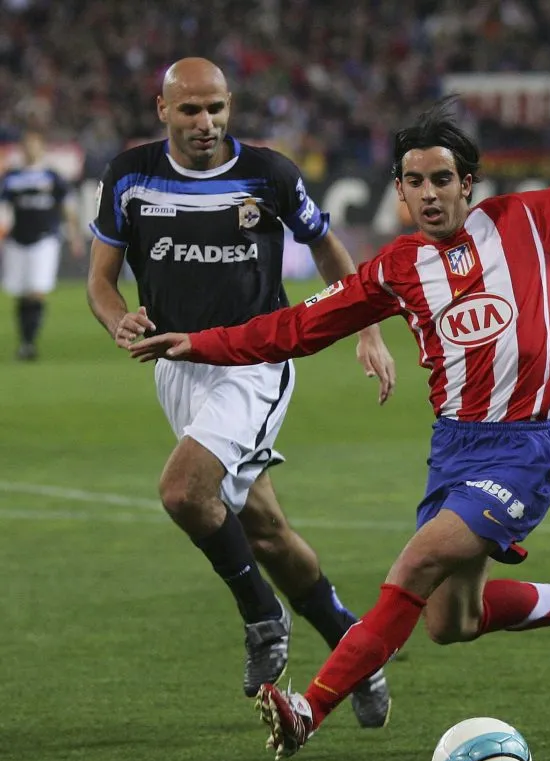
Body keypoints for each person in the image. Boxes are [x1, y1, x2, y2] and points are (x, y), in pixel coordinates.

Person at [129, 24, 550, 760]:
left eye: (443, 179)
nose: (431, 193)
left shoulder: (528, 222)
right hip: (454, 450)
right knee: (449, 619)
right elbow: (295, 327)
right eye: (415, 181)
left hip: (523, 449)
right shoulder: (395, 269)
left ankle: (308, 708)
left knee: (410, 567)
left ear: (468, 184)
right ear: (399, 191)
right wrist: (200, 343)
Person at [86, 57, 395, 727]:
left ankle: (262, 615)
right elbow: (100, 281)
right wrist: (120, 320)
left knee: (183, 491)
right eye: (192, 110)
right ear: (161, 109)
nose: (207, 123)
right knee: (265, 530)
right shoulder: (130, 175)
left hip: (257, 359)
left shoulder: (270, 174)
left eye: (217, 108)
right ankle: (356, 646)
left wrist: (366, 330)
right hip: (177, 365)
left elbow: (329, 250)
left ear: (231, 107)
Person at [1, 129, 85, 360]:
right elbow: (3, 209)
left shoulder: (52, 177)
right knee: (20, 292)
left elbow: (68, 207)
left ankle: (29, 342)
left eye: (34, 144)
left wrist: (74, 235)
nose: (30, 149)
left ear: (41, 147)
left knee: (37, 291)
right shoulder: (11, 177)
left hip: (45, 239)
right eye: (26, 145)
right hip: (16, 240)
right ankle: (25, 340)